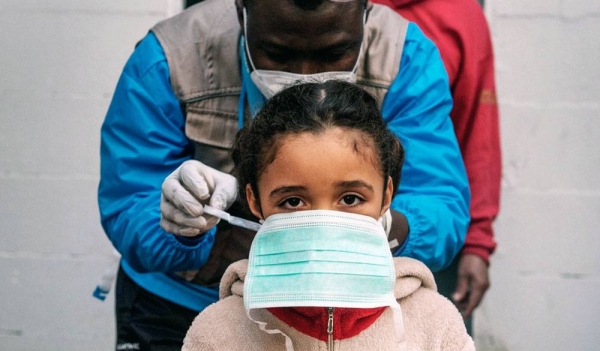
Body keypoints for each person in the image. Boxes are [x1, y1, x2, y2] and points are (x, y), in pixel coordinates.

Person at [98, 0, 470, 348]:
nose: (303, 79)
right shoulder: (169, 58)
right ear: (242, 8)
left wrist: (379, 227)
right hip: (180, 306)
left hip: (353, 309)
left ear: (366, 10)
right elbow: (129, 203)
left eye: (333, 53)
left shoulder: (405, 57)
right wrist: (187, 228)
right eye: (277, 54)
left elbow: (440, 205)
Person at [183, 80, 474, 351]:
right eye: (293, 201)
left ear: (386, 195)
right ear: (254, 201)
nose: (323, 223)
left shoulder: (435, 324)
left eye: (350, 198)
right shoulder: (217, 332)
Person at [372, 0, 501, 328]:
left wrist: (477, 242)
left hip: (426, 238)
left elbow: (476, 131)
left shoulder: (461, 13)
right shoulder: (328, 9)